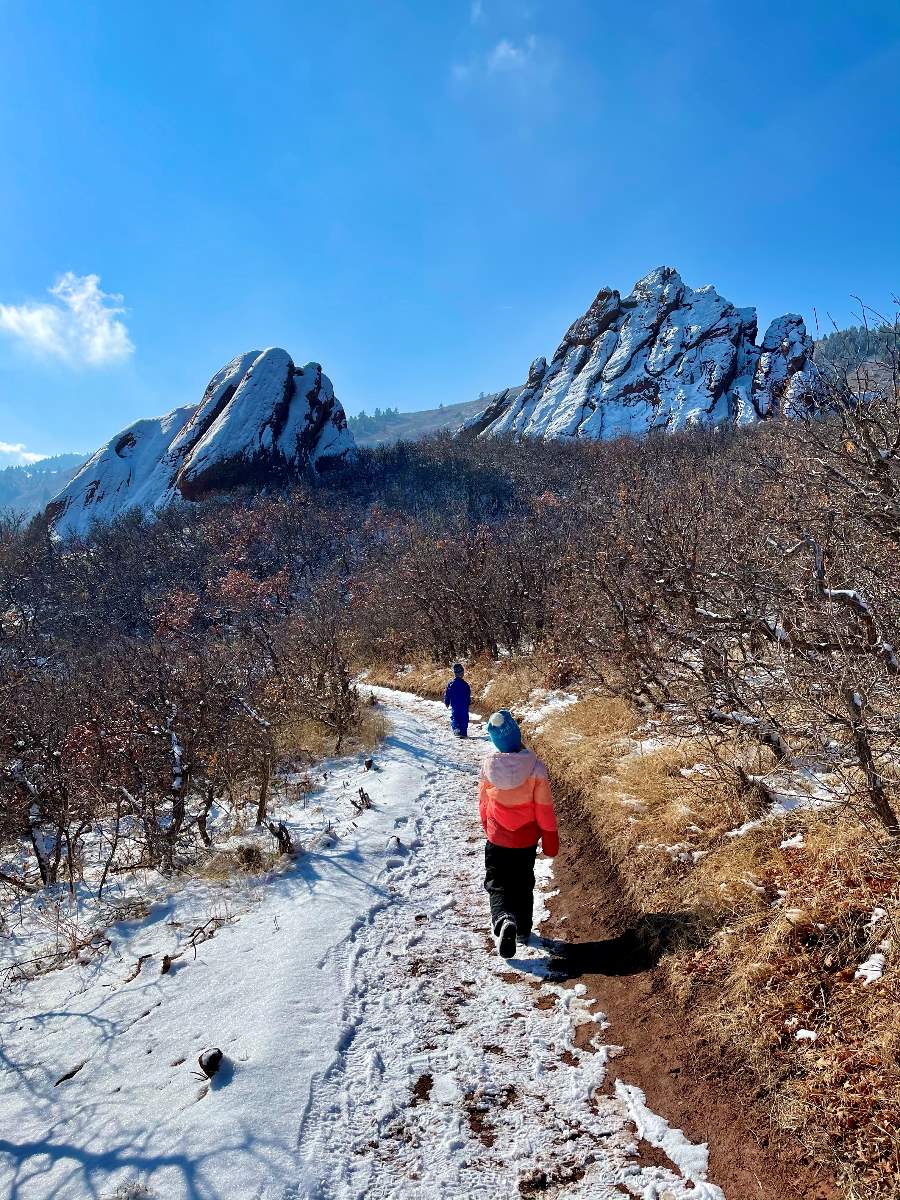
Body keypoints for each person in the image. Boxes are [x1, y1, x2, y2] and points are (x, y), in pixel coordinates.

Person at [478, 709, 559, 958]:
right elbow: (543, 808)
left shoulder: (488, 766)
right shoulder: (535, 767)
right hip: (525, 840)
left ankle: (503, 919)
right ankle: (523, 928)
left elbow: (483, 804)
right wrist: (550, 837)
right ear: (517, 734)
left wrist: (487, 826)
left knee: (498, 883)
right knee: (523, 882)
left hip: (497, 838)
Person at [443, 663, 471, 738]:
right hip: (464, 704)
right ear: (462, 673)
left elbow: (447, 694)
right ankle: (463, 732)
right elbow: (468, 694)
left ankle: (456, 729)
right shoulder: (465, 684)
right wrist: (468, 702)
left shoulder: (451, 684)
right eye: (462, 672)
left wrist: (446, 701)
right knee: (464, 717)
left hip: (455, 704)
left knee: (455, 716)